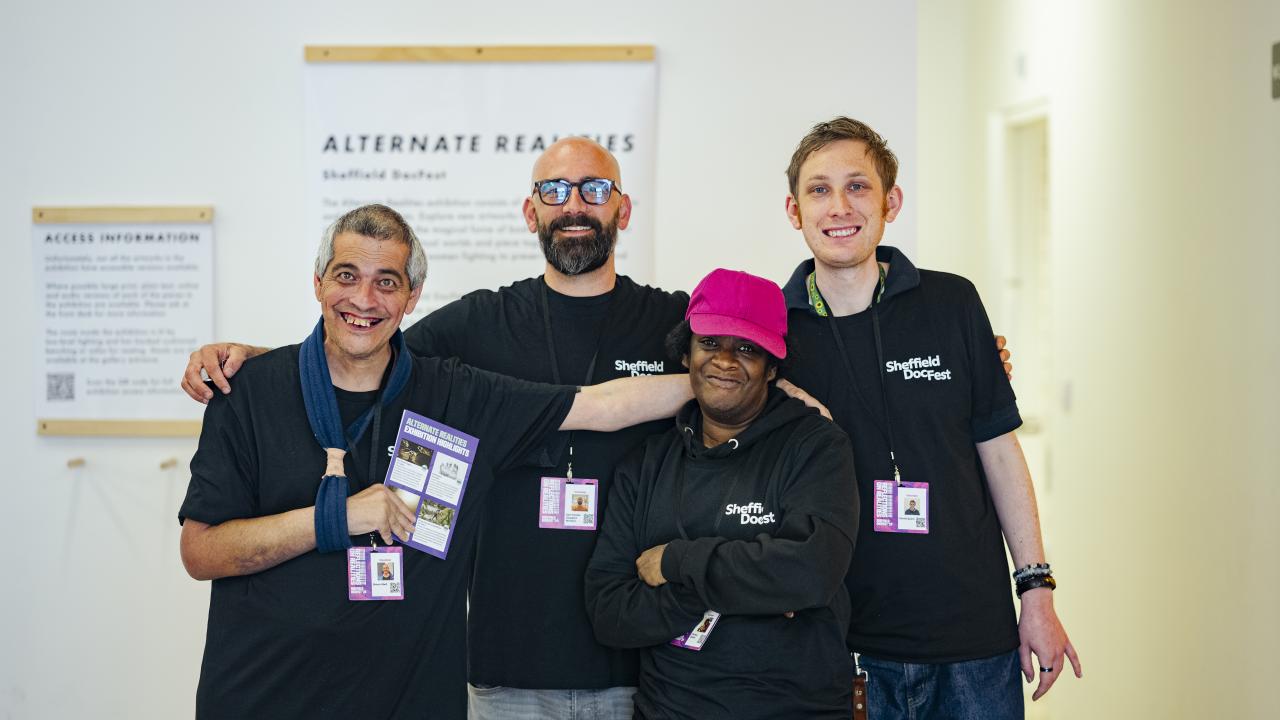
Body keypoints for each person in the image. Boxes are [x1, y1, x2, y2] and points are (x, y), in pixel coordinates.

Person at [178, 204, 693, 720]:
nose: (363, 298)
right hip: (262, 698)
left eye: (387, 282)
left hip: (409, 701)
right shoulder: (247, 391)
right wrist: (334, 519)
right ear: (317, 283)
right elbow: (200, 552)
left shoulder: (456, 395)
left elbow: (601, 406)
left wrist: (739, 385)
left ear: (412, 298)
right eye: (346, 276)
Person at [779, 117, 1081, 718]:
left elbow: (999, 452)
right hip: (841, 649)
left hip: (972, 645)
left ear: (891, 200)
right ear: (794, 210)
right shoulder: (775, 335)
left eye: (858, 186)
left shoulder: (952, 303)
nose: (839, 206)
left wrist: (1038, 591)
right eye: (819, 190)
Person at [585, 268, 859, 719]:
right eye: (710, 343)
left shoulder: (817, 447)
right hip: (669, 710)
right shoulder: (647, 464)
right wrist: (749, 589)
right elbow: (610, 610)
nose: (725, 361)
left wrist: (676, 562)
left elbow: (811, 573)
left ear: (772, 367)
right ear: (686, 353)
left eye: (747, 348)